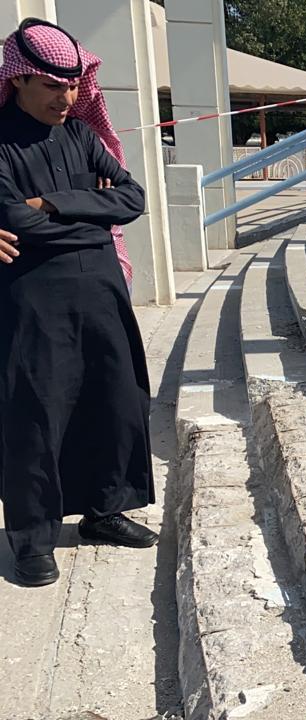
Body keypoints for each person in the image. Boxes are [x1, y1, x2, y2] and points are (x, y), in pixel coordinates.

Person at [0, 18, 158, 588]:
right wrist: (91, 211)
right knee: (36, 414)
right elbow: (13, 220)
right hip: (33, 300)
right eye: (51, 86)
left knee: (114, 399)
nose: (66, 99)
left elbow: (133, 198)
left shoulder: (84, 136)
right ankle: (32, 540)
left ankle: (104, 511)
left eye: (72, 86)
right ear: (18, 80)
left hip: (102, 293)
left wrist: (52, 205)